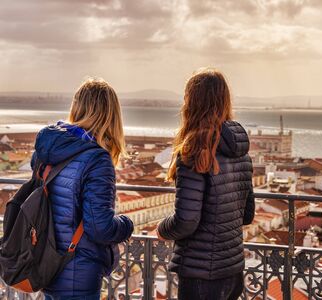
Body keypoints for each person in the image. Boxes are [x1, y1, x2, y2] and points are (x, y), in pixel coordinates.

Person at [157, 68, 255, 300]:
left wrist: (162, 229)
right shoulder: (241, 152)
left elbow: (187, 220)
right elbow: (247, 215)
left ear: (191, 103)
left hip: (201, 274)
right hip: (233, 271)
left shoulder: (194, 151)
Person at [31, 78, 134, 299]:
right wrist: (126, 225)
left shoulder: (45, 150)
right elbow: (99, 226)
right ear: (110, 115)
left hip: (44, 262)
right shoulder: (97, 160)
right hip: (78, 269)